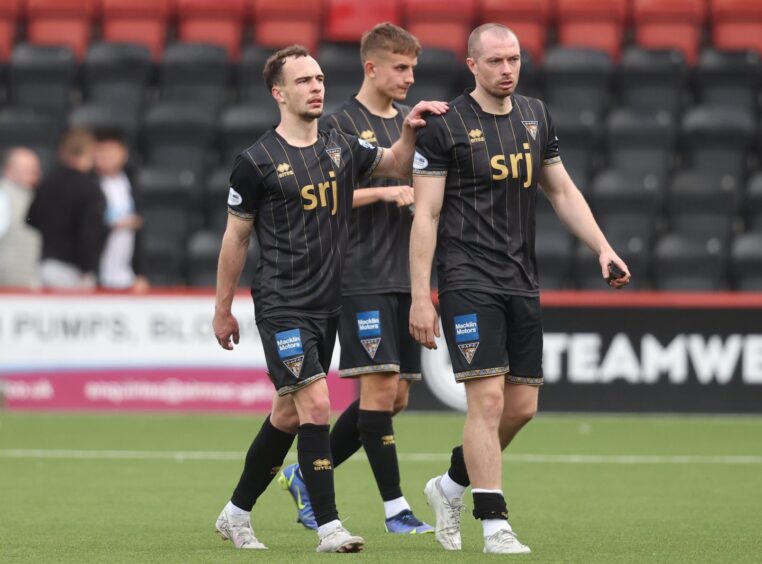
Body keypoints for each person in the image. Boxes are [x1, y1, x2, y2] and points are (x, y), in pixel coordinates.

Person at [212, 44, 446, 553]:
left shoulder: (340, 146)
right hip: (281, 303)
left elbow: (396, 162)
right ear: (278, 93)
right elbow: (235, 238)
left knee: (288, 415)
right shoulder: (256, 162)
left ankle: (235, 513)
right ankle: (329, 525)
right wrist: (223, 308)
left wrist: (409, 129)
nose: (316, 87)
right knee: (317, 405)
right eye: (303, 81)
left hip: (328, 305)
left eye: (318, 78)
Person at [408, 24, 631, 554]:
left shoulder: (535, 115)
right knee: (485, 402)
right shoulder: (446, 126)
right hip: (466, 279)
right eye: (496, 62)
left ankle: (450, 485)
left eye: (514, 59)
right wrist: (422, 294)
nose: (507, 70)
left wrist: (603, 246)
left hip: (520, 279)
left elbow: (560, 189)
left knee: (521, 407)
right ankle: (494, 523)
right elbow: (427, 214)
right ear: (472, 66)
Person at [278, 22, 432, 535]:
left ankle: (304, 471)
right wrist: (383, 193)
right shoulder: (339, 123)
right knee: (380, 392)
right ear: (372, 67)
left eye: (413, 68)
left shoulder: (408, 128)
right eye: (400, 68)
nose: (410, 77)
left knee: (395, 397)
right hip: (358, 272)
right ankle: (396, 510)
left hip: (403, 275)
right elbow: (319, 196)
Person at [27, 129, 107, 289]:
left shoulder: (47, 183)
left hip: (46, 264)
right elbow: (88, 233)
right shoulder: (90, 189)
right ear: (88, 152)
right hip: (74, 270)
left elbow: (31, 219)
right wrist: (86, 266)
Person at [93, 130, 148, 291]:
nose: (105, 155)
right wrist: (113, 226)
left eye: (110, 150)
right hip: (96, 276)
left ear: (123, 153)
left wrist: (141, 273)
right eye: (100, 150)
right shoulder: (88, 186)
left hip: (126, 277)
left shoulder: (132, 186)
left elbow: (141, 234)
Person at [0, 148, 43, 288]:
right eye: (28, 169)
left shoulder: (29, 195)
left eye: (36, 169)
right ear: (9, 170)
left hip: (27, 279)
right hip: (8, 279)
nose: (36, 173)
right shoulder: (3, 195)